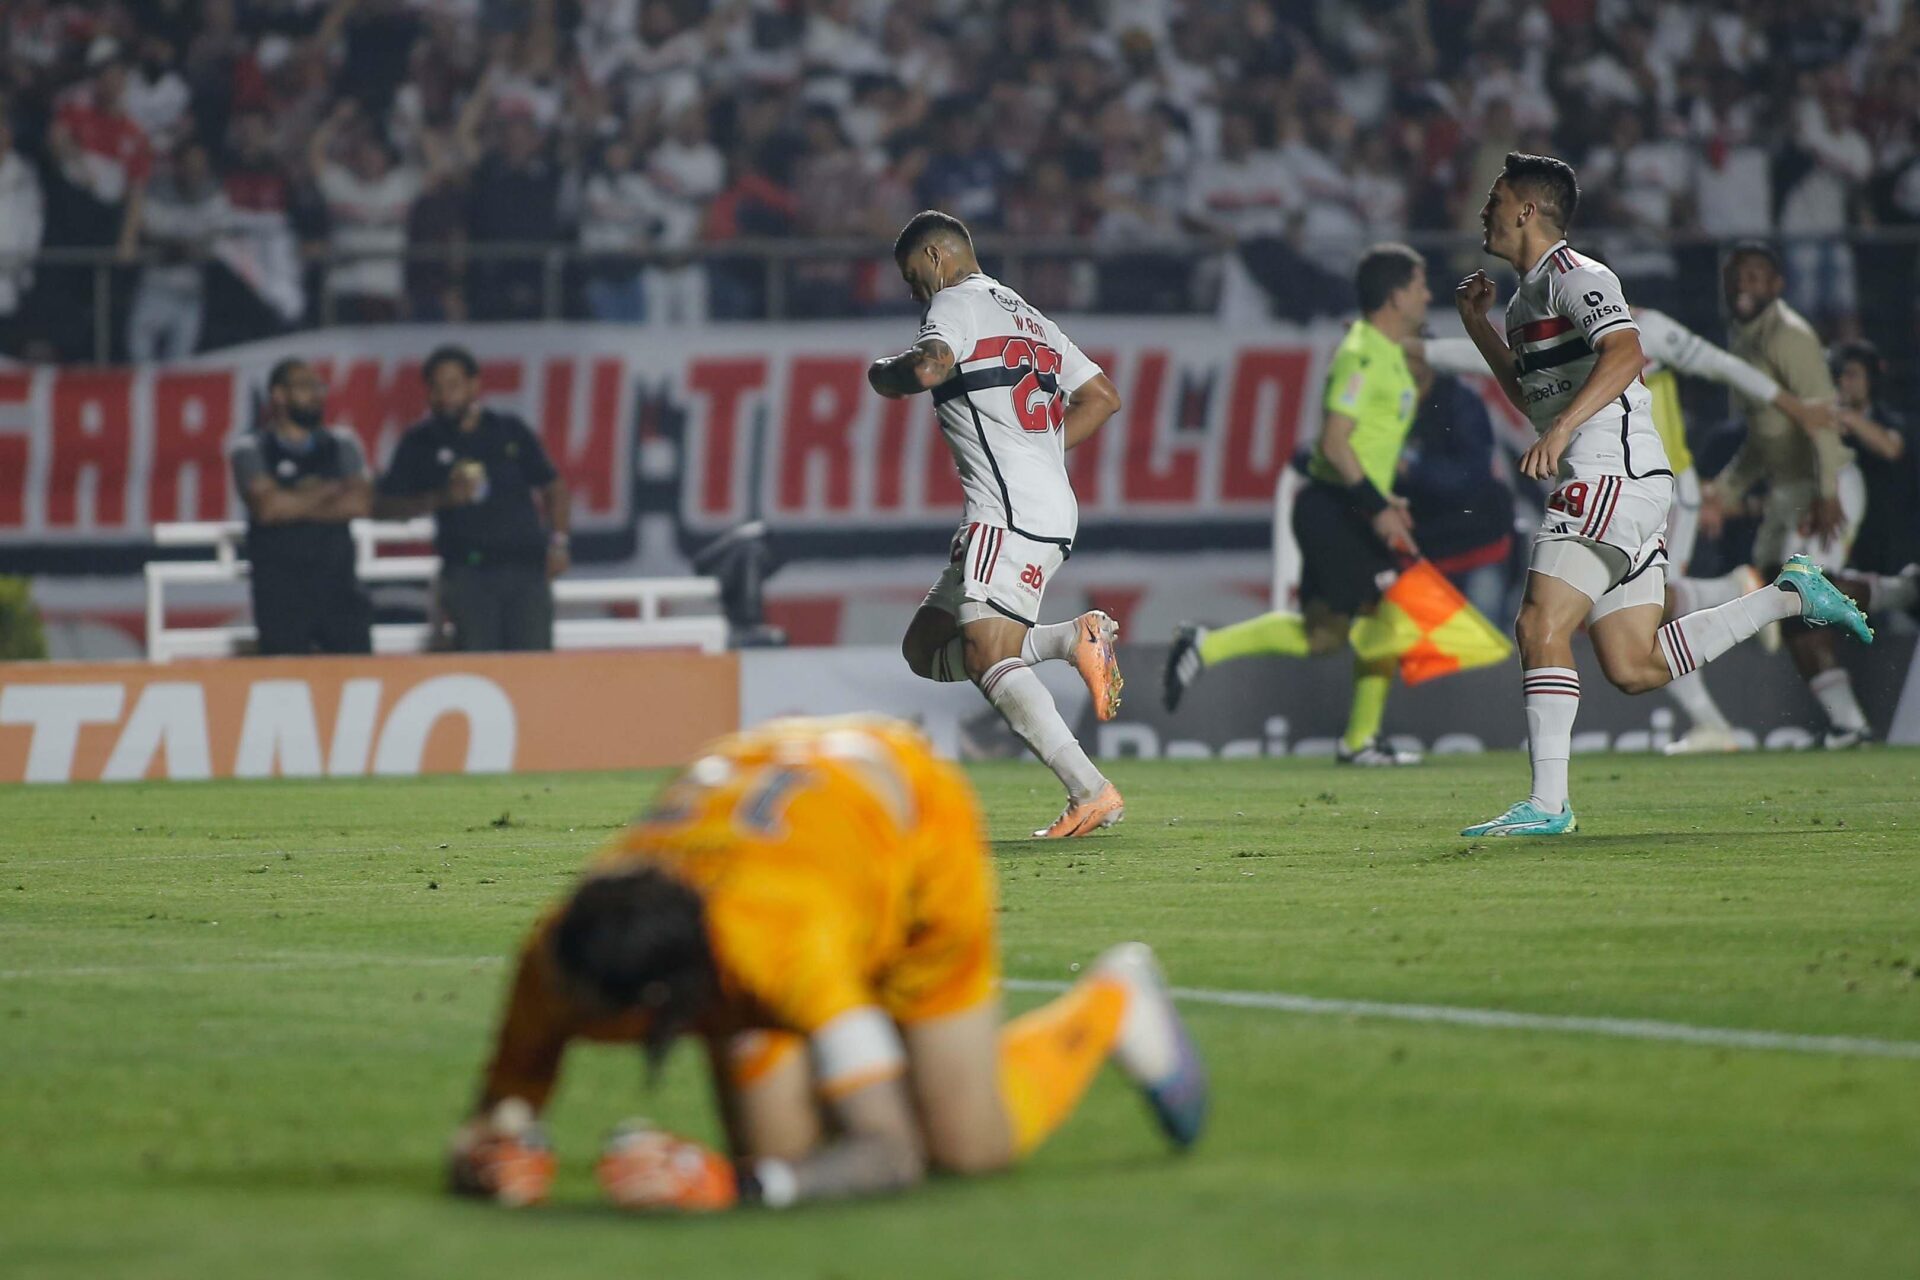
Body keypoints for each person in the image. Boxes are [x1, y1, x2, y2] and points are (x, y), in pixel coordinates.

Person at [449, 716, 1206, 1211]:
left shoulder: (784, 952)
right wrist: (496, 1155)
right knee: (789, 1154)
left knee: (965, 1148)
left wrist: (736, 1184)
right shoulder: (560, 952)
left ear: (671, 997)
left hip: (908, 820)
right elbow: (492, 1118)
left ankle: (1113, 1000)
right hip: (781, 808)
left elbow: (889, 1152)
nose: (569, 1019)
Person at [1451, 155, 1869, 837]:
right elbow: (1535, 394)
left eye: (1495, 197)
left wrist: (1561, 431)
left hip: (1606, 473)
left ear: (1527, 209)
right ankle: (1789, 596)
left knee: (1538, 626)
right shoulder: (1528, 296)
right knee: (1633, 665)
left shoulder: (1575, 276)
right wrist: (1479, 329)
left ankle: (1549, 806)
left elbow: (1626, 354)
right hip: (1628, 482)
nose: (1483, 209)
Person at [1417, 303, 1835, 755]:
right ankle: (1718, 691)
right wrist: (1423, 349)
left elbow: (1724, 365)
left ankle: (1741, 603)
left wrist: (1796, 408)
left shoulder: (1644, 328)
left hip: (1659, 487)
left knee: (1621, 617)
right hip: (1619, 490)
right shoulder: (1562, 340)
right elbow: (1493, 362)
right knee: (1629, 632)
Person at [868, 211, 1126, 839]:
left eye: (912, 278)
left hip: (1005, 510)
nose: (915, 294)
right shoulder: (1026, 313)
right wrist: (1035, 451)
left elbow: (928, 367)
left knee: (987, 653)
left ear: (934, 257)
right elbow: (1102, 396)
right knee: (925, 649)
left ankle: (1090, 791)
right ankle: (1070, 639)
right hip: (1046, 503)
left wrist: (884, 373)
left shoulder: (954, 303)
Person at [1163, 243, 1432, 767]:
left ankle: (1204, 646)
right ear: (1397, 295)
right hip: (1338, 511)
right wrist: (1377, 505)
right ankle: (1360, 742)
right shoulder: (1361, 352)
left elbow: (1361, 448)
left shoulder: (1386, 353)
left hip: (1350, 506)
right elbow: (1334, 442)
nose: (1428, 293)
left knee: (1324, 636)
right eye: (1420, 284)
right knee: (1390, 617)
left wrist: (1382, 493)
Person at [1703, 243, 1880, 748]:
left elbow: (1821, 420)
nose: (1744, 285)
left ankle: (1898, 593)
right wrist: (1727, 489)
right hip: (1789, 490)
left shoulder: (1791, 337)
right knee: (1778, 595)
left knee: (1798, 598)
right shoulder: (1744, 339)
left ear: (1777, 285)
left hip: (1825, 485)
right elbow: (1767, 436)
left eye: (1757, 276)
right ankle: (1849, 725)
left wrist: (1827, 493)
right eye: (1737, 276)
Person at [374, 345, 570, 652]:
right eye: (436, 388)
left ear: (474, 386)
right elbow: (384, 506)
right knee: (480, 667)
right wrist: (441, 498)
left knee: (534, 670)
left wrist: (559, 542)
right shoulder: (420, 443)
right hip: (468, 574)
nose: (444, 396)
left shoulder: (509, 431)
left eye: (453, 385)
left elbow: (553, 486)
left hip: (525, 572)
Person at [227, 359, 373, 656]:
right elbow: (267, 508)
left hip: (340, 590)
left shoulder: (341, 443)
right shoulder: (251, 448)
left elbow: (360, 502)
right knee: (286, 689)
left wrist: (291, 500)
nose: (317, 394)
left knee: (357, 685)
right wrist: (331, 489)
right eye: (305, 387)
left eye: (319, 386)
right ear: (278, 395)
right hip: (281, 596)